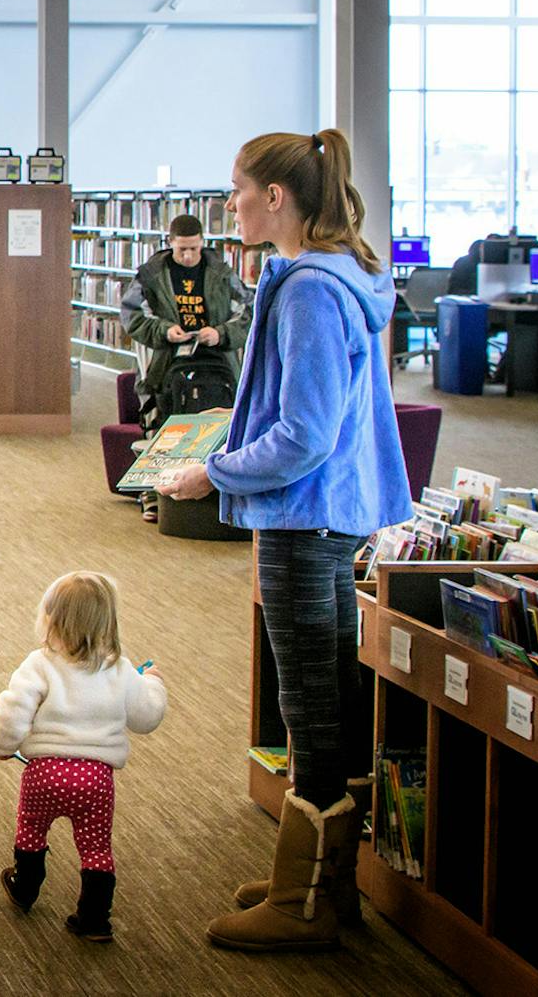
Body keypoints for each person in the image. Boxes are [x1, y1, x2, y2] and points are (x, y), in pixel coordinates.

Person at [157, 128, 411, 952]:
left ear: (276, 198)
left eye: (237, 189)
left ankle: (306, 904)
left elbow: (301, 434)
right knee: (327, 690)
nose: (228, 203)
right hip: (337, 512)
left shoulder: (306, 290)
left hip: (304, 514)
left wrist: (214, 473)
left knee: (309, 702)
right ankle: (320, 882)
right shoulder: (344, 275)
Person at [0, 571, 168, 944]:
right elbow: (146, 718)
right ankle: (94, 918)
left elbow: (13, 710)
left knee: (31, 831)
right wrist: (152, 681)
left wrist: (4, 747)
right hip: (95, 780)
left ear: (50, 618)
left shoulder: (39, 664)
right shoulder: (120, 669)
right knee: (96, 846)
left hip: (43, 773)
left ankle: (25, 886)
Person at [119, 213, 250, 520]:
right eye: (182, 250)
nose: (189, 256)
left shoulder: (221, 271)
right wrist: (164, 330)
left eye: (194, 248)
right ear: (170, 244)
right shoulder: (151, 274)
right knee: (162, 423)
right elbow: (130, 315)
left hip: (216, 361)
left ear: (203, 243)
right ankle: (154, 496)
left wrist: (221, 333)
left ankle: (217, 499)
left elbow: (249, 311)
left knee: (219, 423)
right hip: (165, 363)